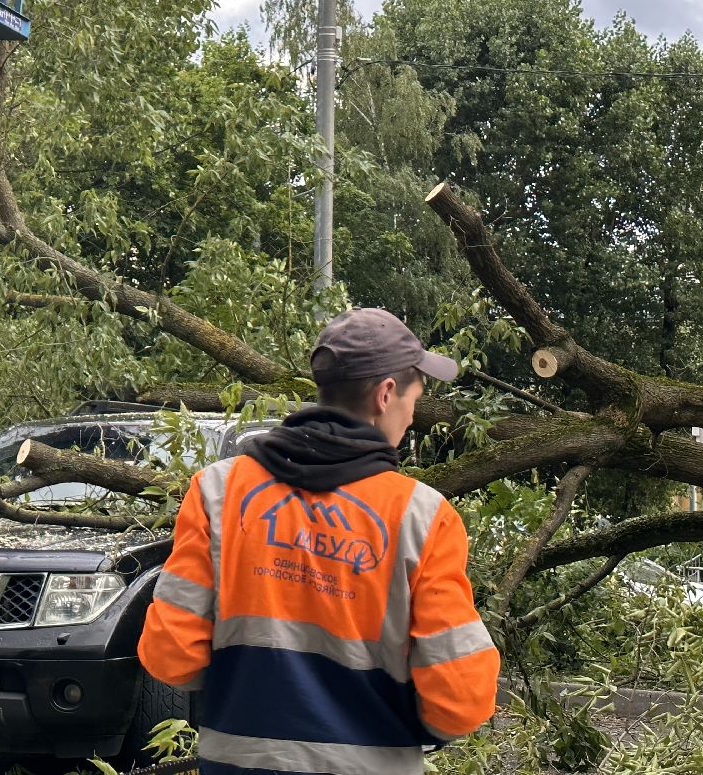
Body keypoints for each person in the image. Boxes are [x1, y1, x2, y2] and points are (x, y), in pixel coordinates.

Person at [138, 308, 500, 775]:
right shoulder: (422, 516)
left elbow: (171, 656)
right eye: (414, 399)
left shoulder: (218, 491)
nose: (413, 417)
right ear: (385, 394)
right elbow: (460, 699)